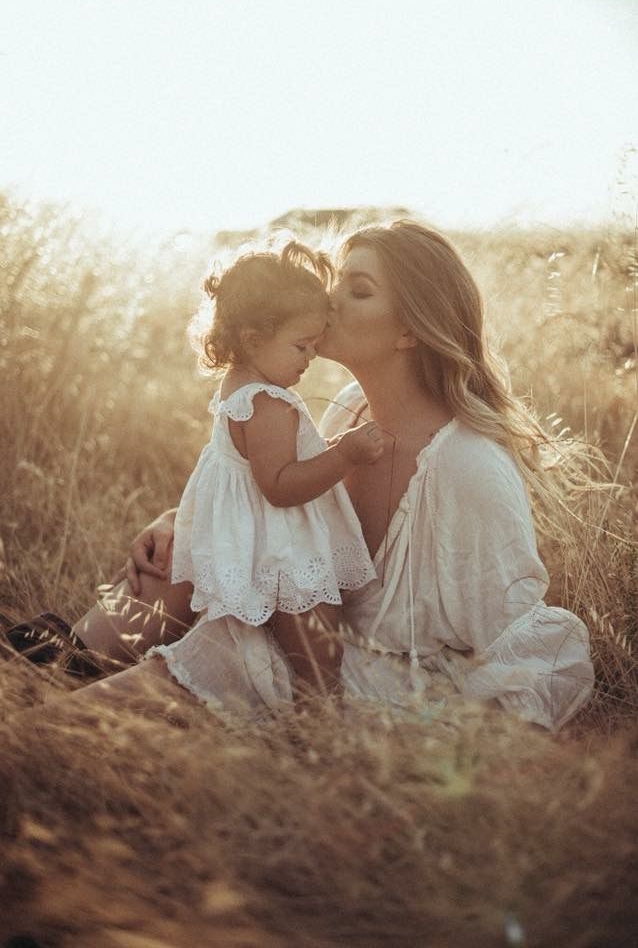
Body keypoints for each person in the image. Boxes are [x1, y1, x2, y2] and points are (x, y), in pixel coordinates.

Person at [6, 221, 595, 730]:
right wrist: (179, 520)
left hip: (352, 672)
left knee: (62, 726)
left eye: (357, 291)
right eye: (337, 280)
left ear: (409, 330)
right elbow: (279, 501)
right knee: (173, 559)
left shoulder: (468, 465)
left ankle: (46, 724)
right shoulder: (346, 408)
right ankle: (37, 663)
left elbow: (515, 639)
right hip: (290, 610)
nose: (330, 300)